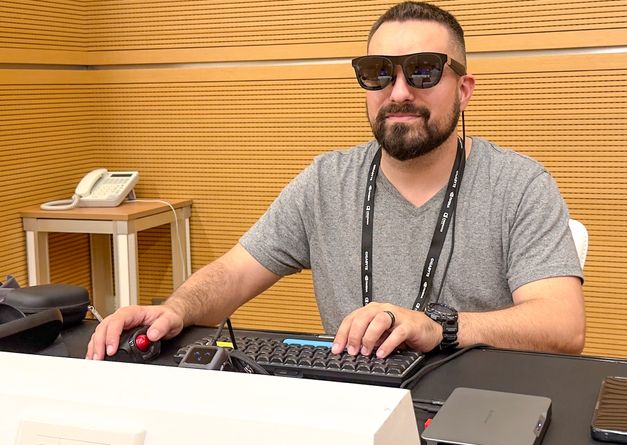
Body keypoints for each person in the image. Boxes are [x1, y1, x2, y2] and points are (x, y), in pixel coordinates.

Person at [87, 1, 585, 361]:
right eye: (378, 73)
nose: (400, 92)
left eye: (424, 72)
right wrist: (174, 310)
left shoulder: (519, 184)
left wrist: (440, 328)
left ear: (464, 89)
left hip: (477, 408)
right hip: (352, 404)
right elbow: (235, 273)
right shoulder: (326, 181)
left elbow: (562, 325)